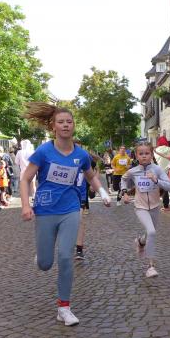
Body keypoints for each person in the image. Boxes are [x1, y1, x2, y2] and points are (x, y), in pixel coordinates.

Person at [20, 102, 111, 326]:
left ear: (74, 125)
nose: (65, 125)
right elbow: (25, 178)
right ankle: (42, 256)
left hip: (70, 210)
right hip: (45, 210)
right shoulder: (44, 151)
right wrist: (25, 205)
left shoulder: (81, 154)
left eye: (69, 122)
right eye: (60, 122)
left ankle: (64, 307)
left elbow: (91, 176)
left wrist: (102, 192)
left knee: (65, 256)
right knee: (45, 264)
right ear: (53, 127)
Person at [121, 142, 170, 277]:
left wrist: (156, 181)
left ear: (151, 154)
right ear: (136, 155)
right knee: (151, 231)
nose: (144, 156)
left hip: (155, 207)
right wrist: (124, 193)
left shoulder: (157, 169)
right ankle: (151, 266)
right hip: (140, 207)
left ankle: (140, 242)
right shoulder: (133, 171)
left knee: (150, 233)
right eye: (141, 154)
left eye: (147, 153)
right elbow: (123, 179)